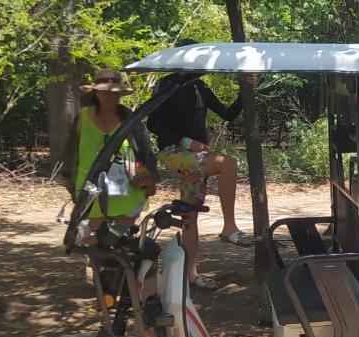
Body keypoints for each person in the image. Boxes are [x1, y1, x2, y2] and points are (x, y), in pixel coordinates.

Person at [146, 38, 252, 290]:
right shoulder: (167, 84)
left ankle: (191, 276)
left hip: (195, 160)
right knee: (227, 164)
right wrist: (185, 141)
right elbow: (153, 123)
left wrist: (245, 91)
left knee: (189, 216)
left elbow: (228, 114)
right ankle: (229, 227)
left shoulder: (200, 87)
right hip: (174, 153)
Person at [63, 69, 157, 227]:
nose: (111, 96)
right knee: (91, 241)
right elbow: (71, 152)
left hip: (126, 187)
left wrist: (150, 179)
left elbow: (143, 152)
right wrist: (69, 181)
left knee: (119, 239)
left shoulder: (129, 118)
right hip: (90, 185)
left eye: (115, 93)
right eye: (105, 92)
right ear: (96, 93)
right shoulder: (83, 118)